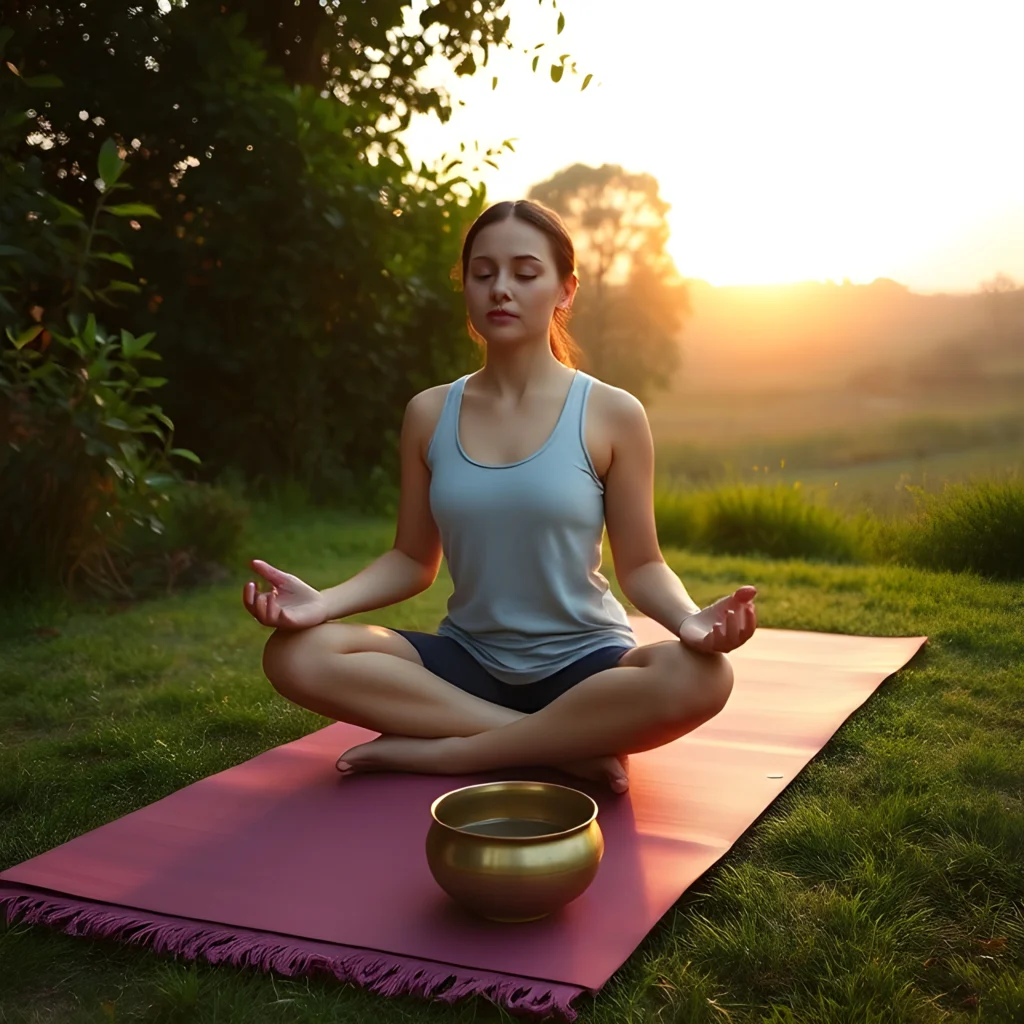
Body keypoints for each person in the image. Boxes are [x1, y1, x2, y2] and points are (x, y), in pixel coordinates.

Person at [243, 198, 757, 794]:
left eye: (525, 272)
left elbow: (642, 566)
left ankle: (452, 755)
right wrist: (322, 604)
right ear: (466, 287)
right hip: (468, 664)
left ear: (565, 290)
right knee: (294, 655)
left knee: (703, 678)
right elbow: (412, 560)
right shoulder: (429, 412)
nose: (500, 290)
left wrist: (689, 620)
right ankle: (557, 749)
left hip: (585, 666)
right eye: (483, 274)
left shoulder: (613, 413)